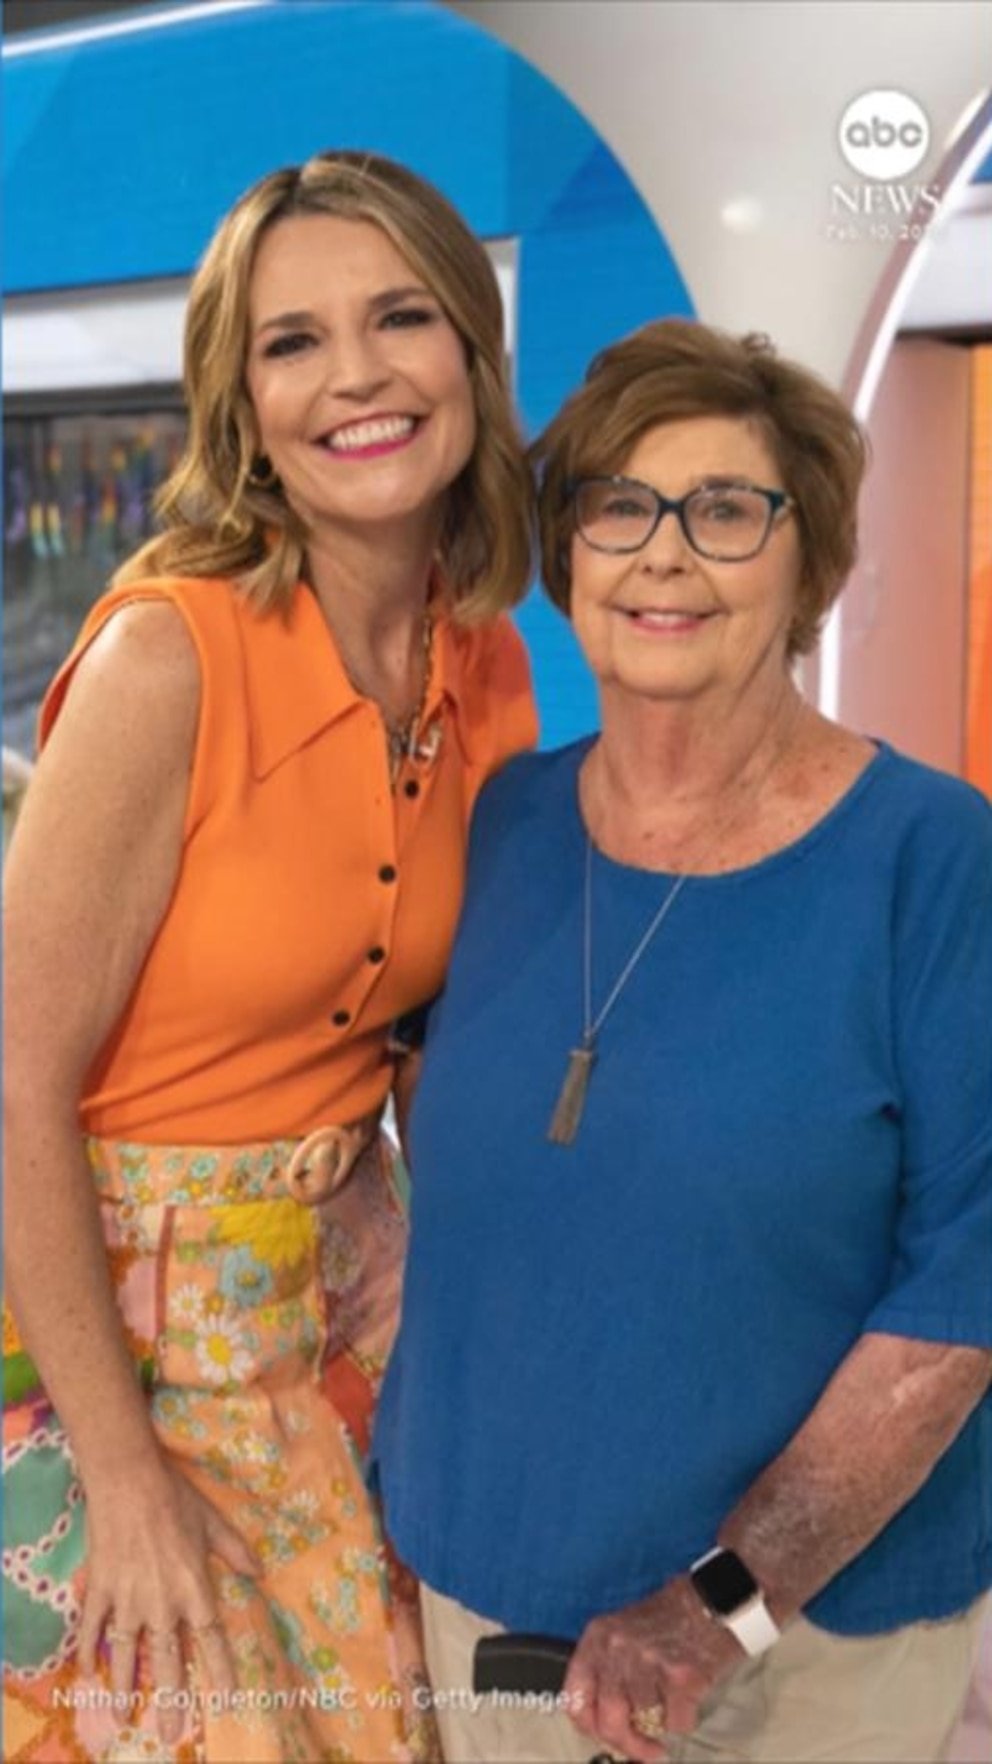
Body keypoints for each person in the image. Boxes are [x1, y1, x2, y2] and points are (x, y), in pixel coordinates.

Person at [373, 318, 992, 1764]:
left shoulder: (932, 860)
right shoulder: (505, 824)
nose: (664, 555)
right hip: (485, 1608)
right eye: (619, 508)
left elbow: (960, 1302)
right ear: (569, 557)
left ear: (807, 561)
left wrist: (722, 1601)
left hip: (799, 1653)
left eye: (724, 511)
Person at [2, 148, 537, 1764]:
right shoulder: (167, 656)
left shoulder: (484, 658)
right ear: (243, 405)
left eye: (400, 317)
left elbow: (427, 1032)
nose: (355, 375)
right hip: (111, 1338)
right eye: (292, 342)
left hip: (341, 1312)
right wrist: (119, 1478)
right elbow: (13, 1081)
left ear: (472, 353)